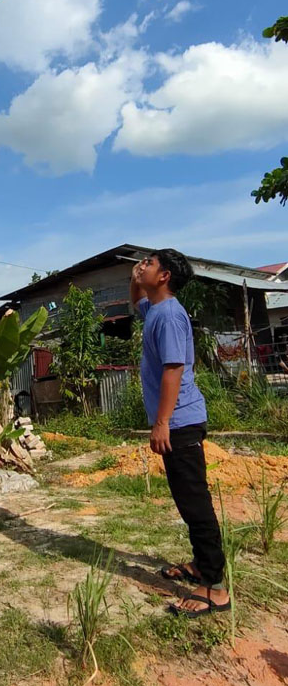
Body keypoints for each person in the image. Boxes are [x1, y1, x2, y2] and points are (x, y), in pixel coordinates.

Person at [130, 249, 230, 618]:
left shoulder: (170, 315)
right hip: (178, 420)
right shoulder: (155, 308)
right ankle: (202, 566)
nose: (143, 266)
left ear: (165, 276)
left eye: (150, 264)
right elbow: (137, 300)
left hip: (180, 422)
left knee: (194, 503)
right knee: (187, 500)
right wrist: (135, 276)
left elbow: (173, 369)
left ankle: (215, 589)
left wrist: (161, 422)